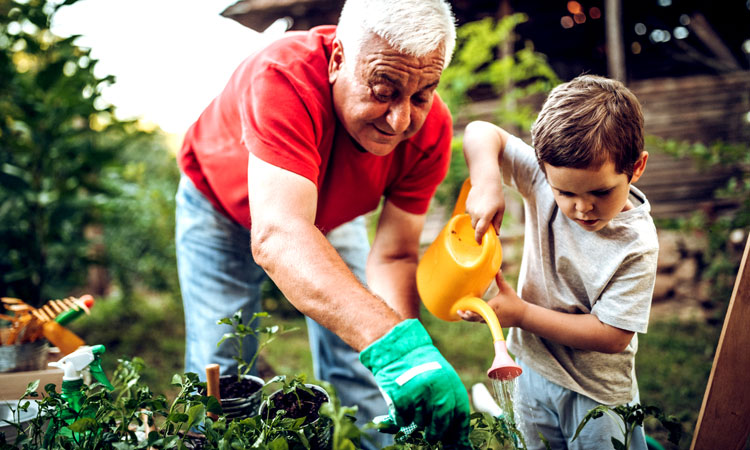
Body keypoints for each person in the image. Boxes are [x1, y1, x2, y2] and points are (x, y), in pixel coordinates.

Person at [175, 0, 470, 447]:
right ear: (337, 60)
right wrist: (393, 344)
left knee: (365, 358)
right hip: (219, 206)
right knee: (226, 362)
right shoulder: (283, 75)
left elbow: (394, 254)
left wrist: (411, 357)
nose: (401, 119)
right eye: (383, 90)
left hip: (327, 217)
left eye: (421, 95)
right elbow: (280, 235)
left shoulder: (430, 131)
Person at [458, 75, 657, 450]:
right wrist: (488, 181)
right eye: (565, 192)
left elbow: (613, 336)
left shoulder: (636, 243)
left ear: (637, 167)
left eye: (601, 191)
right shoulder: (539, 177)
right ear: (543, 169)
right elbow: (481, 131)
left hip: (596, 395)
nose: (582, 207)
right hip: (531, 368)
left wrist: (521, 314)